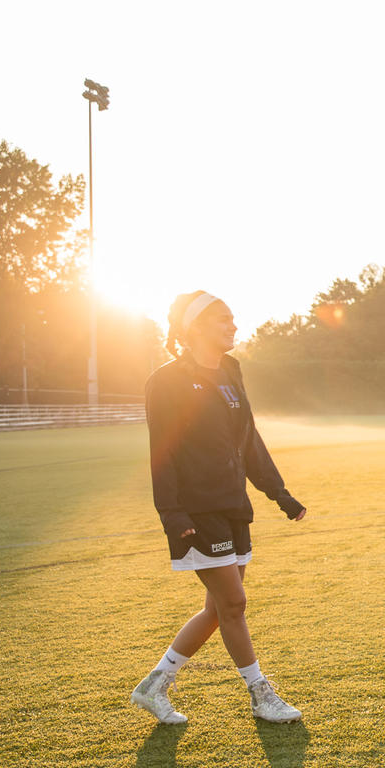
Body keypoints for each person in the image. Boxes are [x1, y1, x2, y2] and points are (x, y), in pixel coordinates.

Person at [131, 291, 306, 725]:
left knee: (218, 609)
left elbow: (247, 441)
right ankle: (261, 695)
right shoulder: (167, 381)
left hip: (233, 506)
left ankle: (153, 686)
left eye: (233, 319)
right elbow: (162, 453)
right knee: (233, 603)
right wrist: (172, 516)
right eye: (223, 320)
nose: (233, 326)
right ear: (195, 328)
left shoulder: (230, 373)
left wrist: (278, 493)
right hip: (196, 511)